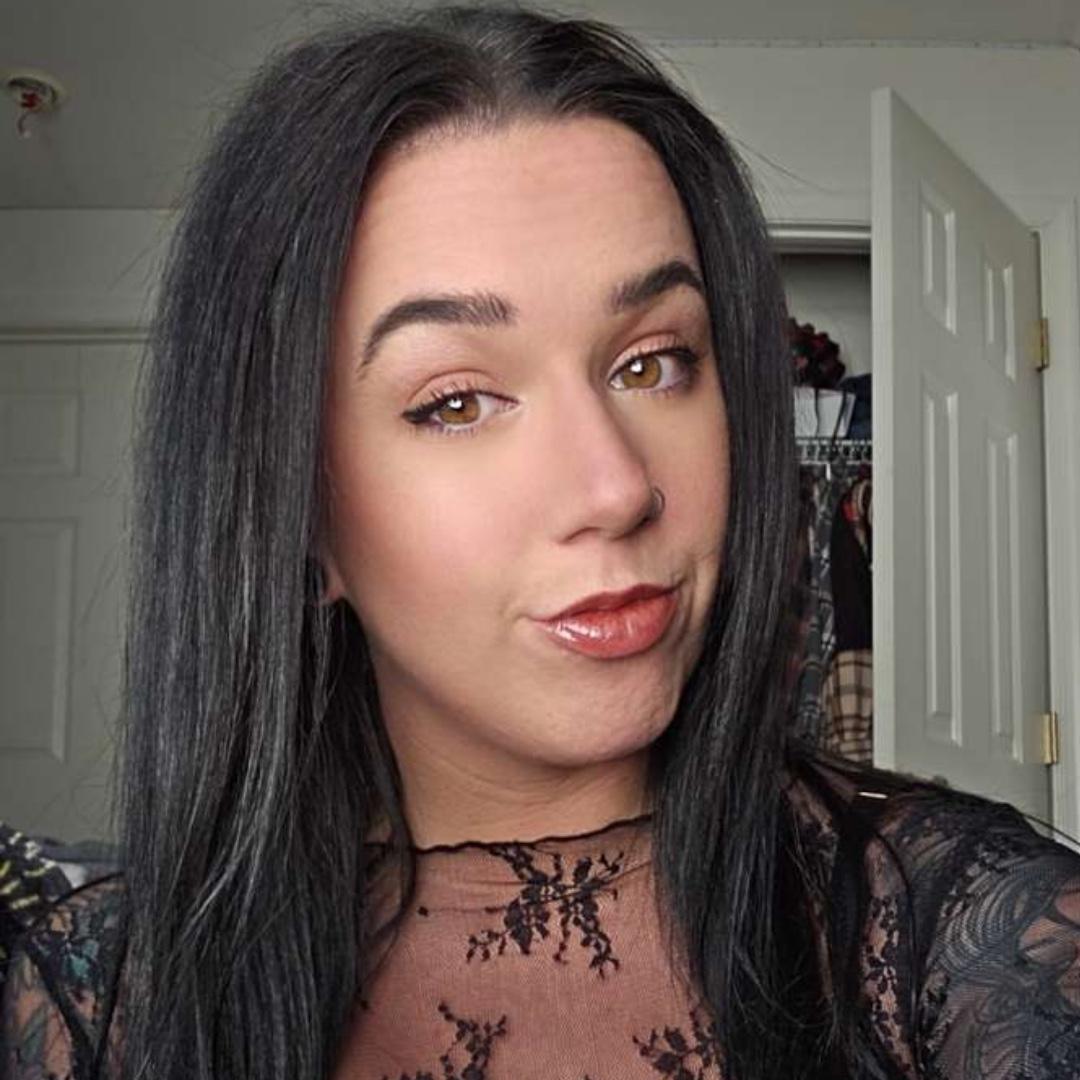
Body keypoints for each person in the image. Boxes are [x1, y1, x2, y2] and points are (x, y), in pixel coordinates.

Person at [3, 6, 1080, 1079]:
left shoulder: (983, 944)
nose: (615, 488)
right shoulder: (92, 1007)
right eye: (458, 401)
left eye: (652, 363)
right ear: (295, 509)